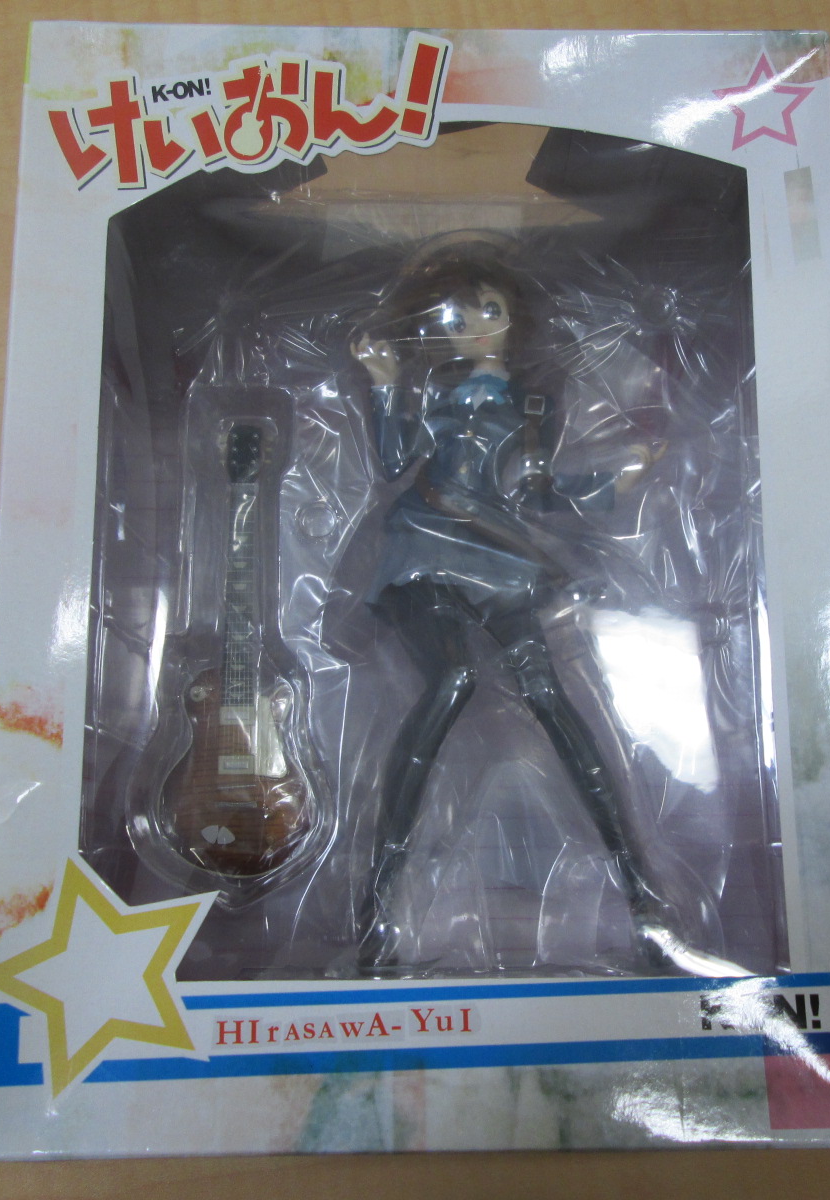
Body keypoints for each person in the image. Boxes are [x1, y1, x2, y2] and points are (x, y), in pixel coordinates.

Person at [348, 238, 666, 973]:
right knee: (452, 677)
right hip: (424, 556)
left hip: (498, 562)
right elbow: (395, 462)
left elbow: (536, 493)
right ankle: (377, 902)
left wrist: (615, 480)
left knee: (549, 696)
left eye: (489, 311)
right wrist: (385, 384)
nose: (475, 328)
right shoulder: (432, 397)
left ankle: (644, 896)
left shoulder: (531, 405)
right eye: (459, 318)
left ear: (514, 318)